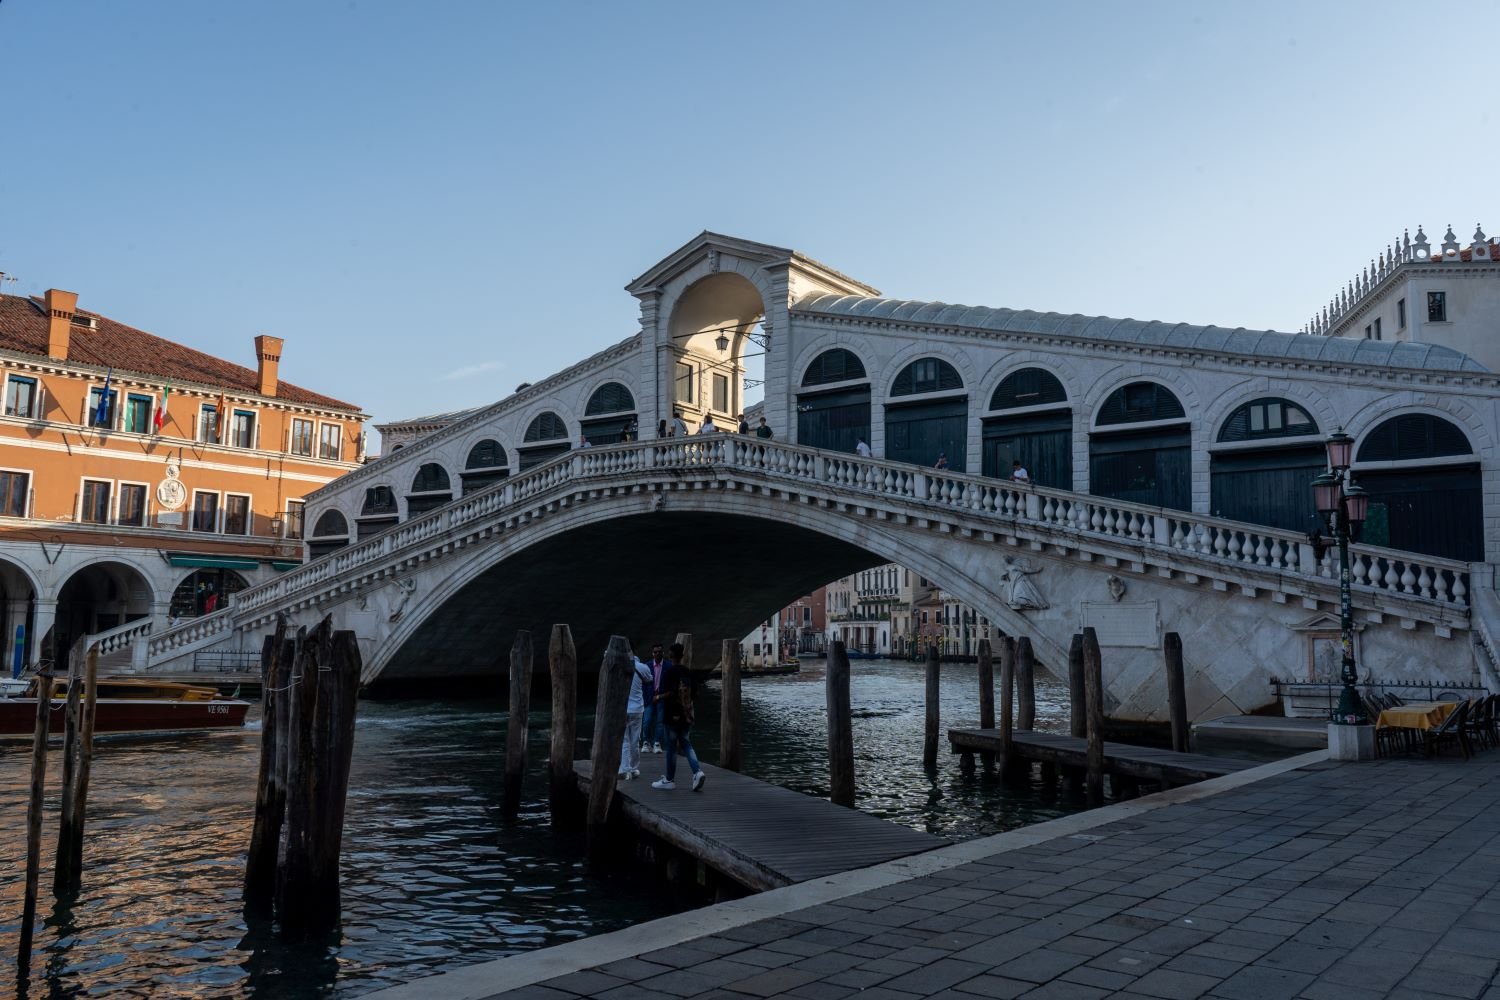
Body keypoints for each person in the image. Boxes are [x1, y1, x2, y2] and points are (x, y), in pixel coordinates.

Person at [651, 643, 705, 792]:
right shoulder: (688, 672)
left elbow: (670, 693)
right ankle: (697, 772)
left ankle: (669, 780)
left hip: (672, 715)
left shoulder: (669, 672)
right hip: (687, 714)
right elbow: (696, 694)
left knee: (671, 748)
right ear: (682, 655)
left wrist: (657, 697)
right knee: (686, 743)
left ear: (670, 655)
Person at [619, 648, 654, 780]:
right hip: (637, 709)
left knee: (624, 740)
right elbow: (650, 680)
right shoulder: (642, 667)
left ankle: (624, 769)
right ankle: (633, 768)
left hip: (623, 709)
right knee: (635, 740)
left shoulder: (619, 665)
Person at [640, 642, 667, 753]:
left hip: (662, 698)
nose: (657, 654)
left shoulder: (668, 666)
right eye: (655, 652)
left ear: (663, 653)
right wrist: (646, 698)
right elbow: (643, 684)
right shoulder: (647, 666)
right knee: (647, 721)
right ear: (652, 653)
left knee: (660, 722)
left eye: (660, 652)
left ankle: (657, 743)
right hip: (649, 698)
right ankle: (646, 742)